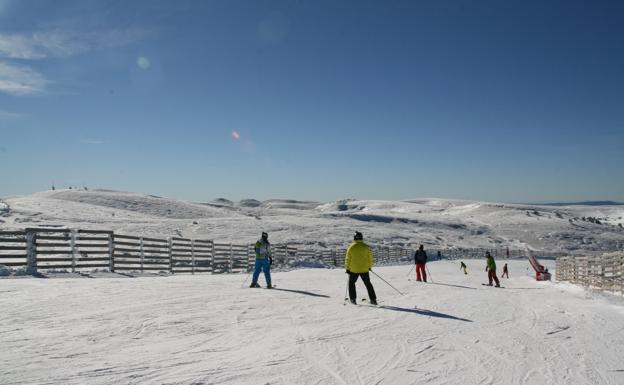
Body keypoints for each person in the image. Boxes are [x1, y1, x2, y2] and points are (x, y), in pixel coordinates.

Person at [345, 231, 377, 305]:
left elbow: (348, 259)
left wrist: (347, 268)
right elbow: (370, 258)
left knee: (351, 283)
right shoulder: (366, 247)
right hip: (364, 269)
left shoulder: (351, 247)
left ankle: (353, 299)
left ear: (354, 238)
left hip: (354, 270)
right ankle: (373, 300)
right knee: (368, 284)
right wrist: (369, 267)